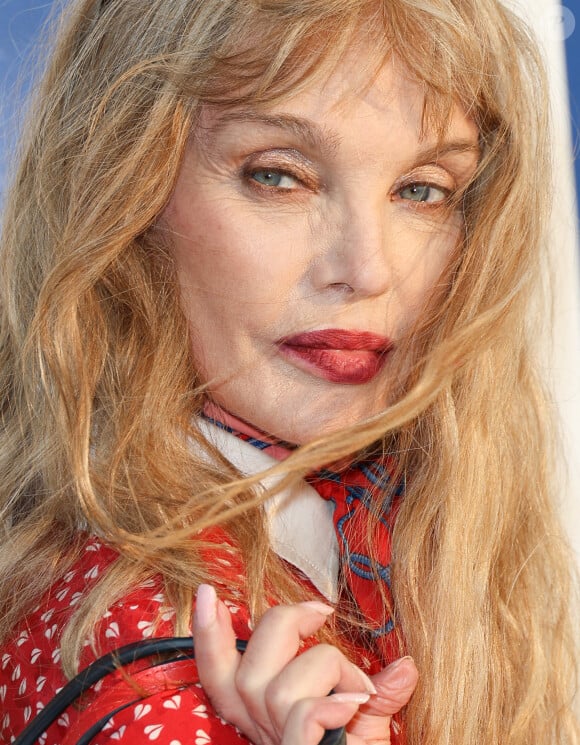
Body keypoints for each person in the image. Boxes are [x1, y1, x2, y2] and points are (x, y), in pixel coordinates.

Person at [0, 0, 578, 743]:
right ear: (121, 189)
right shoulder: (152, 660)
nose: (367, 269)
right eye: (279, 176)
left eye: (422, 189)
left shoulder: (420, 524)